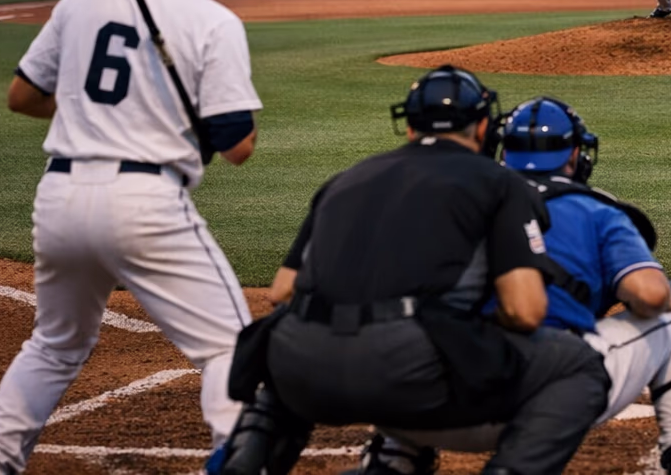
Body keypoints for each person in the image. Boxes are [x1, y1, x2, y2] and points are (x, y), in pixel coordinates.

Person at [0, 0, 262, 475]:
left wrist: (98, 113)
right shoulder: (212, 20)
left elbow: (22, 96)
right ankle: (235, 461)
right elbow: (239, 148)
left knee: (54, 343)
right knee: (232, 348)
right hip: (145, 204)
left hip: (60, 196)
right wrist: (168, 116)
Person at [218, 66, 610, 475]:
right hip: (405, 373)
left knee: (293, 330)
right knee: (577, 365)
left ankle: (250, 457)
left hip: (300, 373)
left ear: (408, 128)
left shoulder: (346, 179)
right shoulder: (498, 182)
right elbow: (525, 310)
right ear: (481, 128)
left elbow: (282, 291)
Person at [370, 97, 671, 475]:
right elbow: (650, 294)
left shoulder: (452, 202)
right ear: (575, 155)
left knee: (419, 320)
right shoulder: (598, 211)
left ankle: (390, 460)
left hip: (413, 405)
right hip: (533, 403)